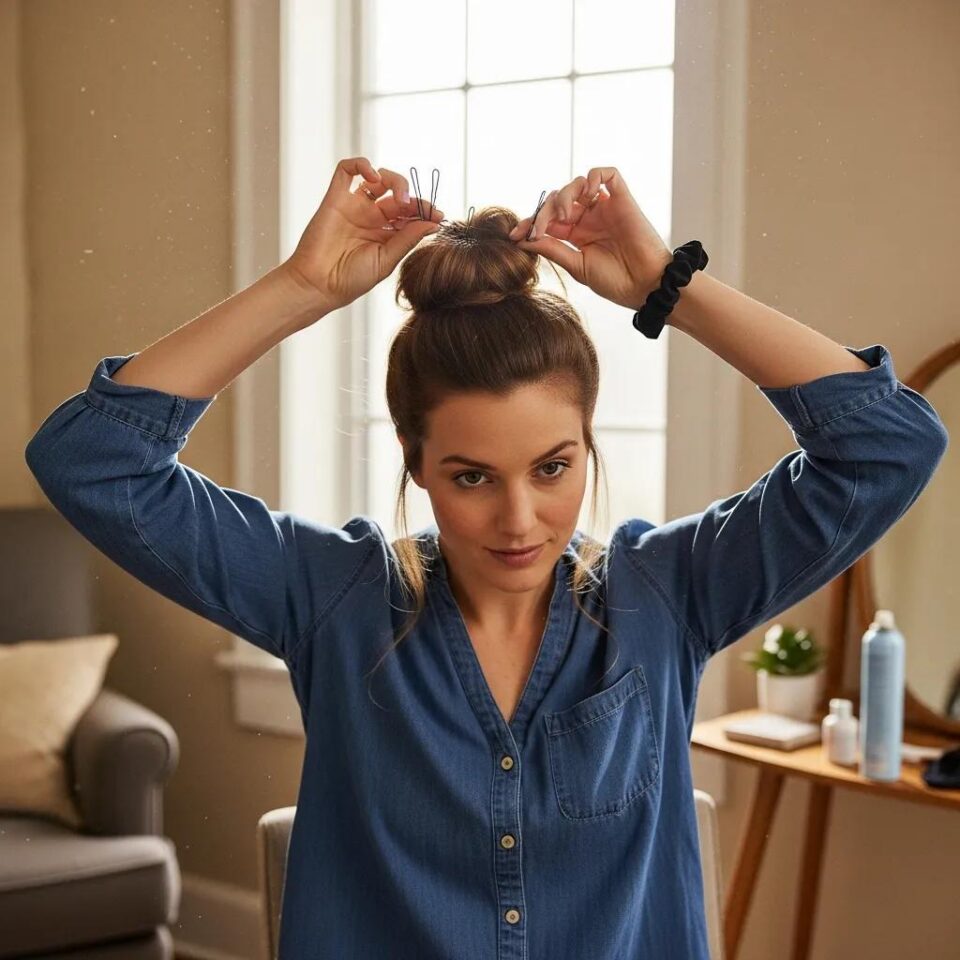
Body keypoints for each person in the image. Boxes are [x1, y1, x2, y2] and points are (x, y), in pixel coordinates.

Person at [25, 157, 949, 959]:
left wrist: (667, 286)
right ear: (415, 460)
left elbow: (889, 446)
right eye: (471, 476)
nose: (519, 520)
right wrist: (306, 287)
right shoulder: (332, 598)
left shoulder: (669, 593)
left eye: (553, 467)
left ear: (587, 445)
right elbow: (91, 459)